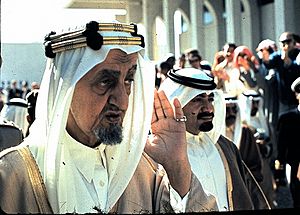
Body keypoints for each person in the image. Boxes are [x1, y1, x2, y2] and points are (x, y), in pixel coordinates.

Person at [0, 20, 216, 214]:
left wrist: (177, 164)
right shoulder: (12, 177)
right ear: (65, 87)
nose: (122, 102)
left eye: (128, 81)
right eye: (105, 82)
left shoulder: (143, 170)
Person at [159, 68, 271, 211]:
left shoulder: (225, 147)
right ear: (177, 103)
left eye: (210, 99)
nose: (208, 108)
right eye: (197, 100)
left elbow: (250, 194)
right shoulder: (161, 151)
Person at [276, 77, 300, 208]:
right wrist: (279, 174)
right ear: (297, 95)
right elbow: (281, 150)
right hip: (296, 169)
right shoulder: (287, 119)